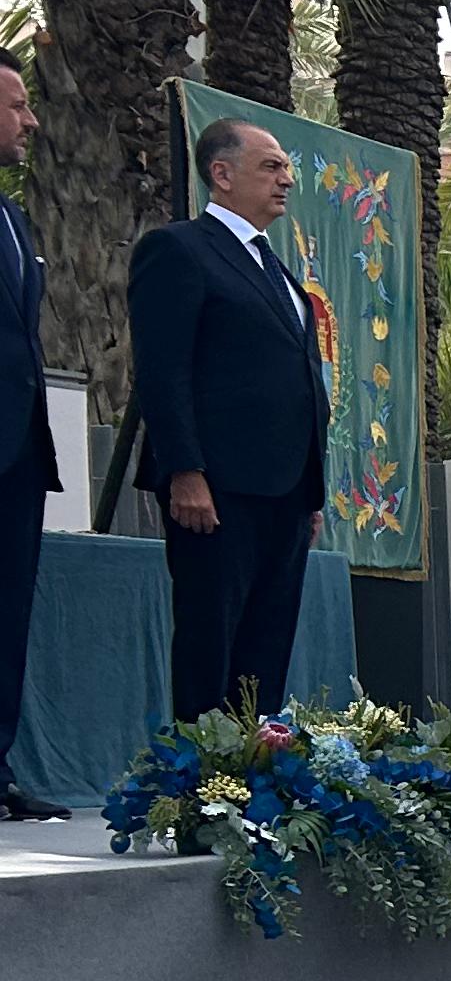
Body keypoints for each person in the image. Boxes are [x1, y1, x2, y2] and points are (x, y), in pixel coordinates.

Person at [129, 112, 330, 724]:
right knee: (210, 639)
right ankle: (200, 784)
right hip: (217, 487)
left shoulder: (279, 271)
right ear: (221, 174)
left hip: (286, 492)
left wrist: (310, 492)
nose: (285, 180)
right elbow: (163, 372)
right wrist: (185, 471)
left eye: (287, 168)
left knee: (266, 648)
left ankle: (252, 780)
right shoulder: (180, 249)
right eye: (270, 166)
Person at [0, 47, 56, 819]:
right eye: (16, 104)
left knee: (9, 613)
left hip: (16, 452)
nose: (31, 119)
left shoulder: (12, 217)